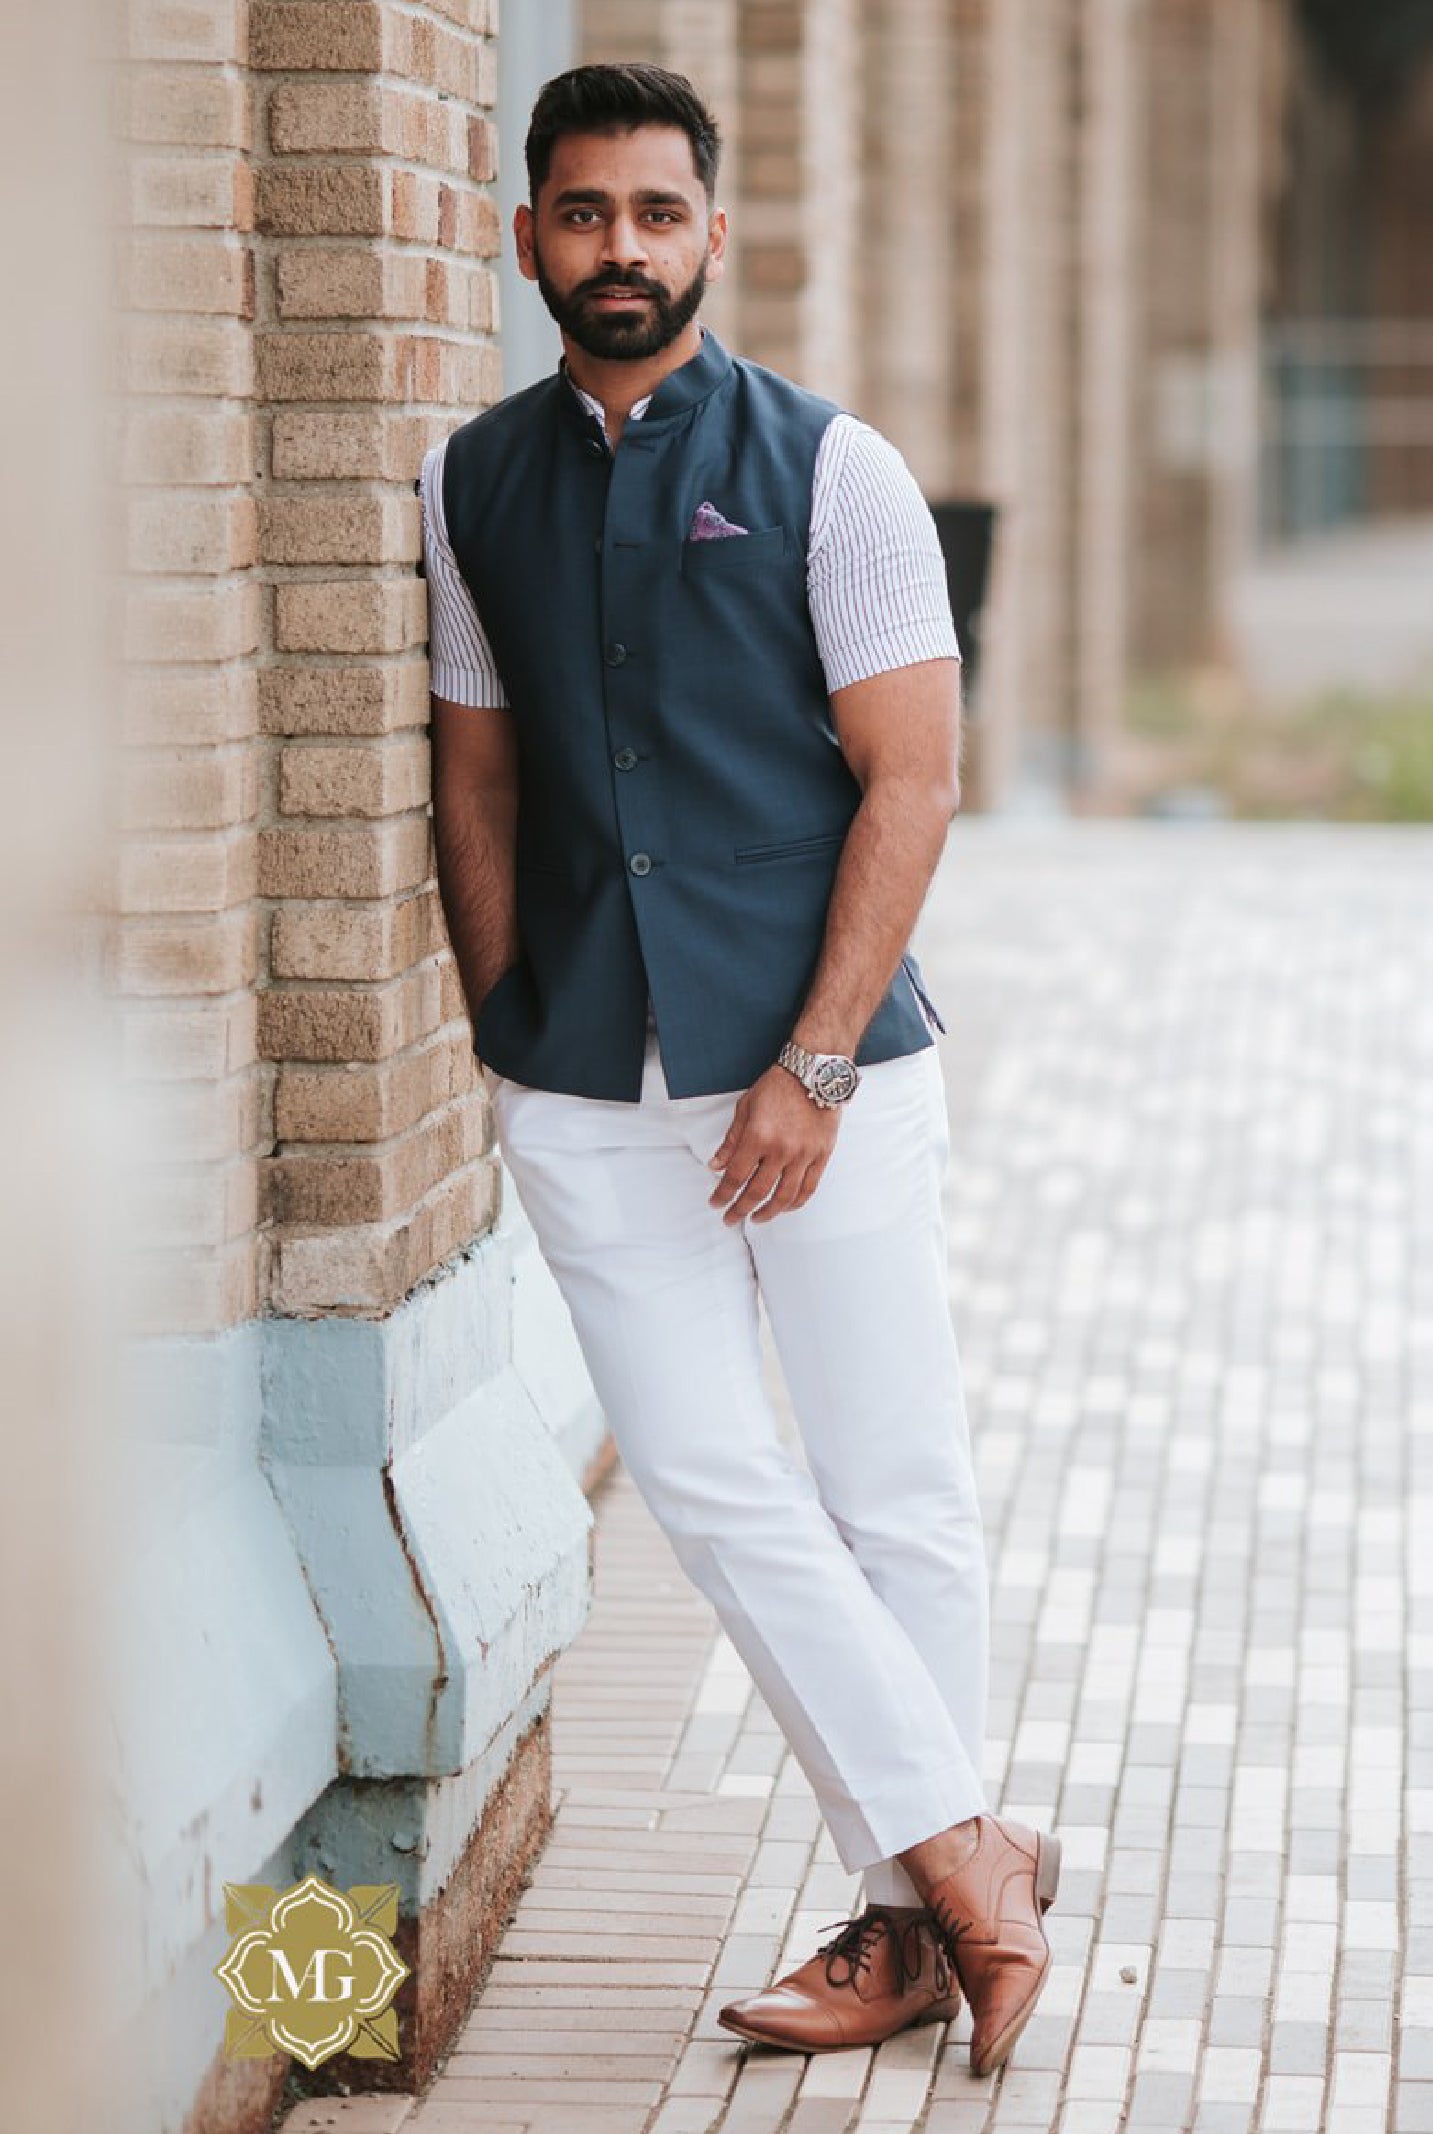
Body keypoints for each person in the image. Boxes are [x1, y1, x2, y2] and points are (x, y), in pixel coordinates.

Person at [420, 60, 1059, 2072]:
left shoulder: (832, 467)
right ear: (528, 238)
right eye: (585, 214)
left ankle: (905, 1913)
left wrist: (812, 1066)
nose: (623, 249)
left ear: (712, 229)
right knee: (704, 1475)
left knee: (894, 1488)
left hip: (826, 1072)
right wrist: (508, 1012)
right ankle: (968, 1855)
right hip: (590, 1079)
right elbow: (480, 766)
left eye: (658, 214)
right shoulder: (470, 481)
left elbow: (913, 775)